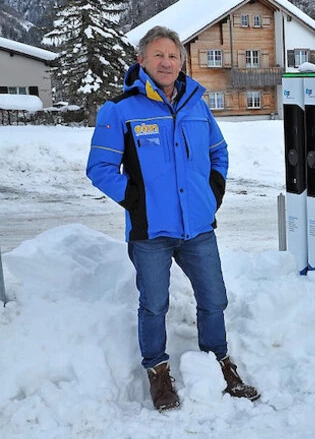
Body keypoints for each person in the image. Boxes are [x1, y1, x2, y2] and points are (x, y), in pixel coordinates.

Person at [86, 25, 259, 411]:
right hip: (151, 231)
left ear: (182, 62)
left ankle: (219, 362)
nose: (167, 62)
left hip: (198, 227)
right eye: (158, 55)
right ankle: (158, 372)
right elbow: (99, 167)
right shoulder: (120, 110)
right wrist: (135, 201)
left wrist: (212, 193)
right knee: (154, 305)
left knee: (214, 299)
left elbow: (219, 152)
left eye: (173, 55)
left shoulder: (197, 104)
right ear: (142, 60)